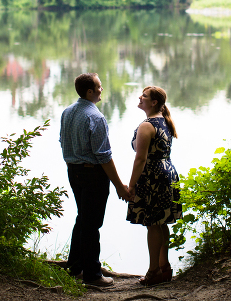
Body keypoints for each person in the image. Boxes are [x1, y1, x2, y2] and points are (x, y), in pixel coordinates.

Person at [60, 73, 131, 287]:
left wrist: (73, 165)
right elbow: (104, 157)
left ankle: (75, 266)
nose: (102, 89)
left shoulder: (67, 112)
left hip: (73, 171)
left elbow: (63, 142)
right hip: (92, 174)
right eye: (99, 86)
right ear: (89, 91)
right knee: (92, 224)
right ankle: (92, 275)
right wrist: (120, 186)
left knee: (83, 218)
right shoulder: (95, 117)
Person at [127, 85, 182, 286]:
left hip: (152, 177)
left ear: (154, 102)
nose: (140, 97)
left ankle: (153, 271)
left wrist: (130, 186)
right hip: (167, 173)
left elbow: (140, 159)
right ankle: (164, 268)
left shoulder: (146, 126)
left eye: (145, 95)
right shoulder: (164, 121)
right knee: (161, 222)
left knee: (153, 224)